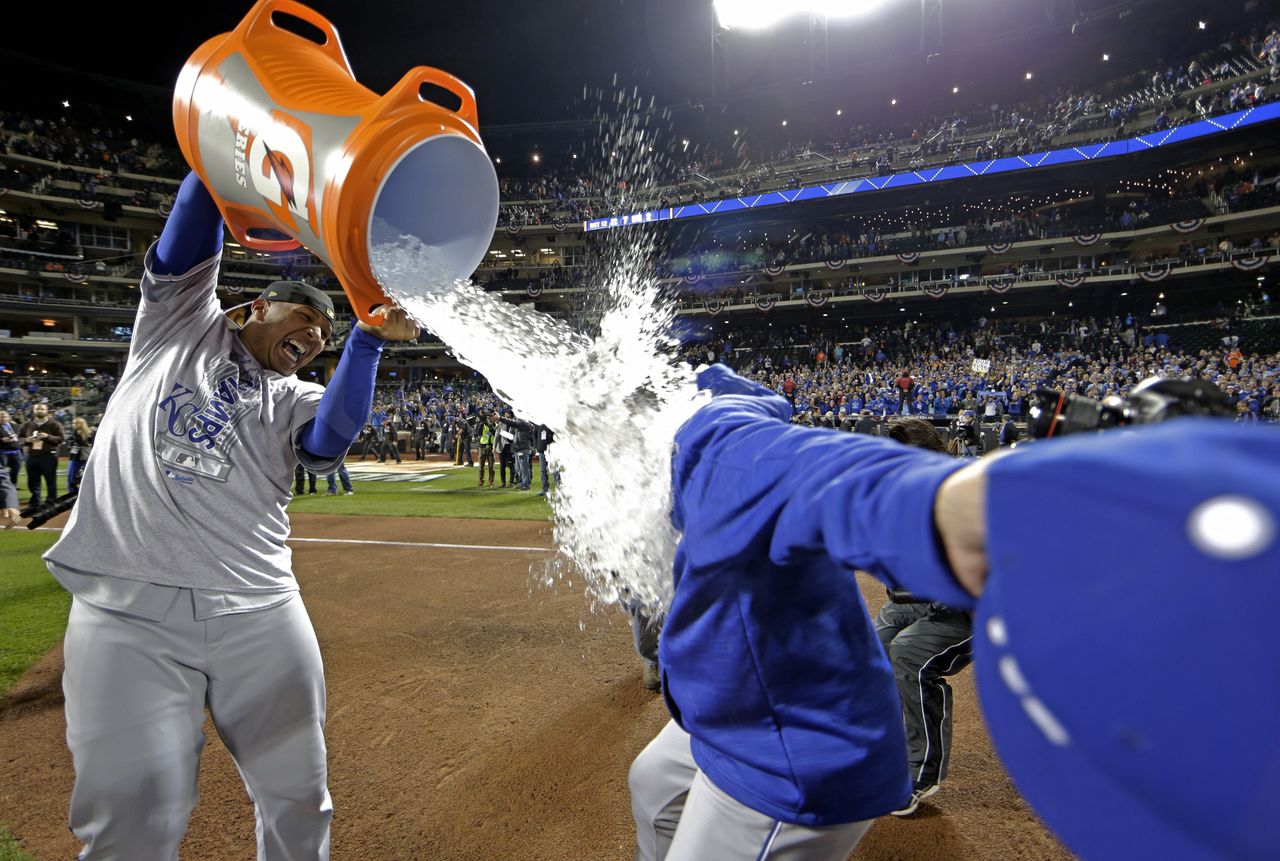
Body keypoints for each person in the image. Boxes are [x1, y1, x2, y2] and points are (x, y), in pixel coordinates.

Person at [637, 363, 1278, 861]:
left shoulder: (722, 449)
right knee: (651, 784)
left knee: (911, 659)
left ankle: (920, 773)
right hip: (739, 712)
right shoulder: (691, 451)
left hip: (788, 756)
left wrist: (985, 504)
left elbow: (840, 483)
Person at [41, 172, 419, 861]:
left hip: (262, 612)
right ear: (254, 307)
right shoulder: (178, 323)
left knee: (300, 804)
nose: (313, 334)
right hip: (128, 608)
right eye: (303, 317)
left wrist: (365, 341)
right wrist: (225, 155)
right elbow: (196, 213)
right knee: (132, 817)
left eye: (323, 335)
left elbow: (332, 436)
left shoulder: (296, 396)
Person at [874, 417, 974, 816]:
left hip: (974, 607)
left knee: (909, 654)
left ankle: (921, 771)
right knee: (874, 640)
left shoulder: (962, 493)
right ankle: (886, 747)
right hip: (931, 599)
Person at [19, 402, 64, 508]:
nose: (40, 410)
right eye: (37, 409)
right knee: (32, 481)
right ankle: (35, 502)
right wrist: (27, 439)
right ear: (33, 411)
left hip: (48, 456)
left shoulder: (55, 424)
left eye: (42, 409)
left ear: (47, 411)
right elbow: (20, 439)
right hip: (31, 456)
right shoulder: (26, 424)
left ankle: (51, 502)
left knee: (50, 481)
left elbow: (61, 439)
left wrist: (47, 436)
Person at [66, 416, 95, 493]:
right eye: (73, 423)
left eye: (77, 423)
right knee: (71, 478)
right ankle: (72, 495)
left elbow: (87, 444)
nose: (74, 424)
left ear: (82, 424)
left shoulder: (90, 433)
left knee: (85, 478)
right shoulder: (73, 433)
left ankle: (86, 494)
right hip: (74, 458)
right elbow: (69, 444)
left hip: (85, 458)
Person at [0, 409, 21, 486]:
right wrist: (2, 440)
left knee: (16, 469)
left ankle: (13, 484)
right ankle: (3, 486)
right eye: (1, 417)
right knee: (2, 471)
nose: (3, 418)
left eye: (5, 417)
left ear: (9, 418)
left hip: (16, 451)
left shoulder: (16, 426)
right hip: (2, 452)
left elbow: (21, 435)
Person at [476, 412, 497, 487]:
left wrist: (490, 426)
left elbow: (495, 433)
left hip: (491, 446)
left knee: (491, 466)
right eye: (487, 418)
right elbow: (478, 433)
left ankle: (491, 481)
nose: (488, 419)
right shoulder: (481, 424)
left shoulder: (495, 425)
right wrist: (482, 424)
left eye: (490, 418)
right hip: (482, 446)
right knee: (481, 467)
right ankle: (481, 480)